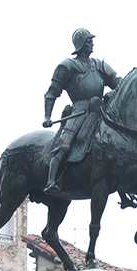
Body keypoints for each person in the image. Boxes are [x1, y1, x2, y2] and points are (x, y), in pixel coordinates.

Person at [41, 28, 122, 194]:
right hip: (79, 110)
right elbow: (51, 93)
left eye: (91, 41)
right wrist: (47, 116)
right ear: (80, 44)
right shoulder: (67, 66)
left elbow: (119, 84)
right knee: (65, 143)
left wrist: (113, 93)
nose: (92, 43)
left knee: (117, 143)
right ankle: (51, 180)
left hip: (101, 110)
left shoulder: (100, 65)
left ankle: (124, 188)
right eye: (88, 41)